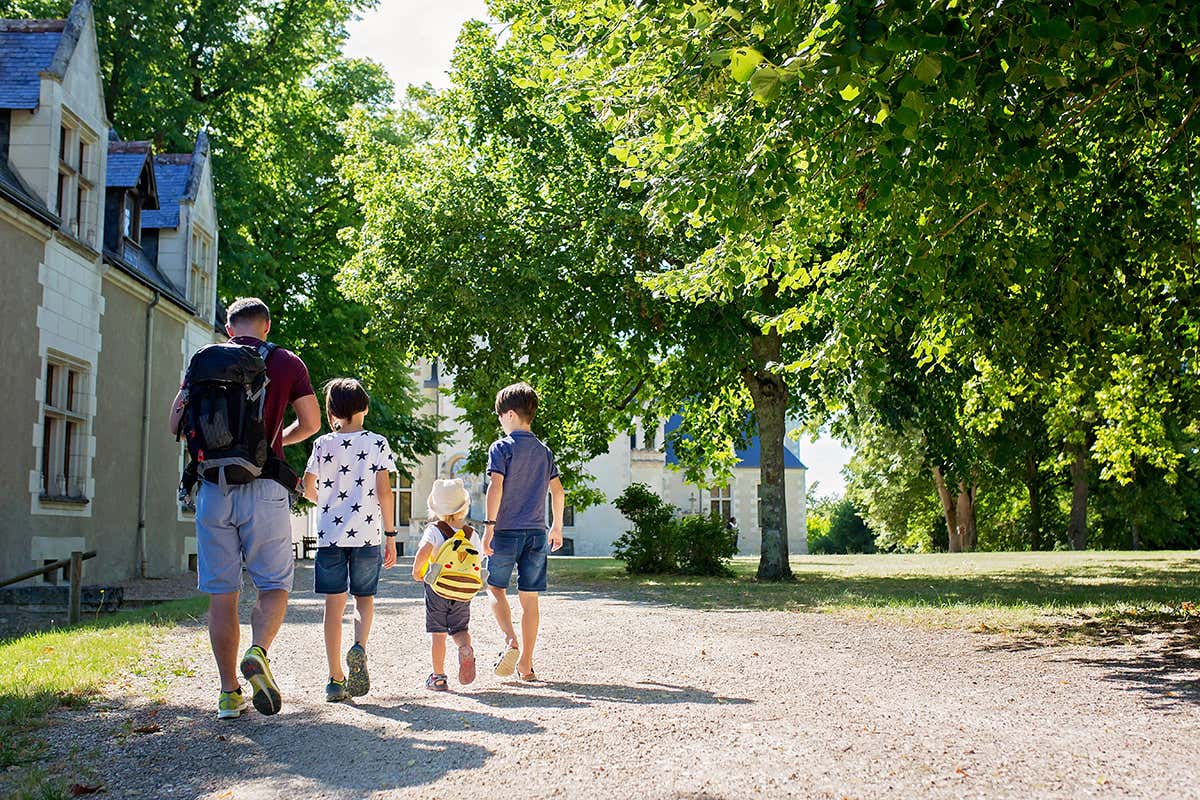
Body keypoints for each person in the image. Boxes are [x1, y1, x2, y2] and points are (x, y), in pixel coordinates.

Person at [169, 297, 320, 720]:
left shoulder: (203, 361)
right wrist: (274, 442)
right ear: (266, 326)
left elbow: (174, 425)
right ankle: (258, 652)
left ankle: (228, 694)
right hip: (265, 486)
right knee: (273, 585)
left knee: (222, 597)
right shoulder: (287, 363)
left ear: (229, 328)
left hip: (212, 489)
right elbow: (310, 424)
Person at [301, 378, 398, 702]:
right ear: (365, 407)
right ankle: (359, 647)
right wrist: (390, 536)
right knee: (364, 599)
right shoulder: (377, 443)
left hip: (330, 535)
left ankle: (334, 678)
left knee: (333, 606)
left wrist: (327, 505)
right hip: (368, 534)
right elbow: (384, 492)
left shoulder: (322, 444)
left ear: (331, 411)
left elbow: (307, 486)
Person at [482, 382, 564, 681]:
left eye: (499, 415)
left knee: (494, 588)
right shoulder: (544, 451)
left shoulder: (501, 447)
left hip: (505, 530)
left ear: (511, 415)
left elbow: (496, 486)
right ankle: (526, 665)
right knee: (530, 600)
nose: (499, 420)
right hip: (536, 533)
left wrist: (488, 527)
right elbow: (558, 491)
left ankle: (510, 640)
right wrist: (556, 525)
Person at [412, 478, 483, 691]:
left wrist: (417, 571)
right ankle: (465, 648)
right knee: (460, 628)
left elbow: (424, 551)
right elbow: (477, 561)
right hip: (462, 591)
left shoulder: (435, 529)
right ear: (464, 506)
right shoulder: (472, 533)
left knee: (438, 633)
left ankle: (438, 677)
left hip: (437, 589)